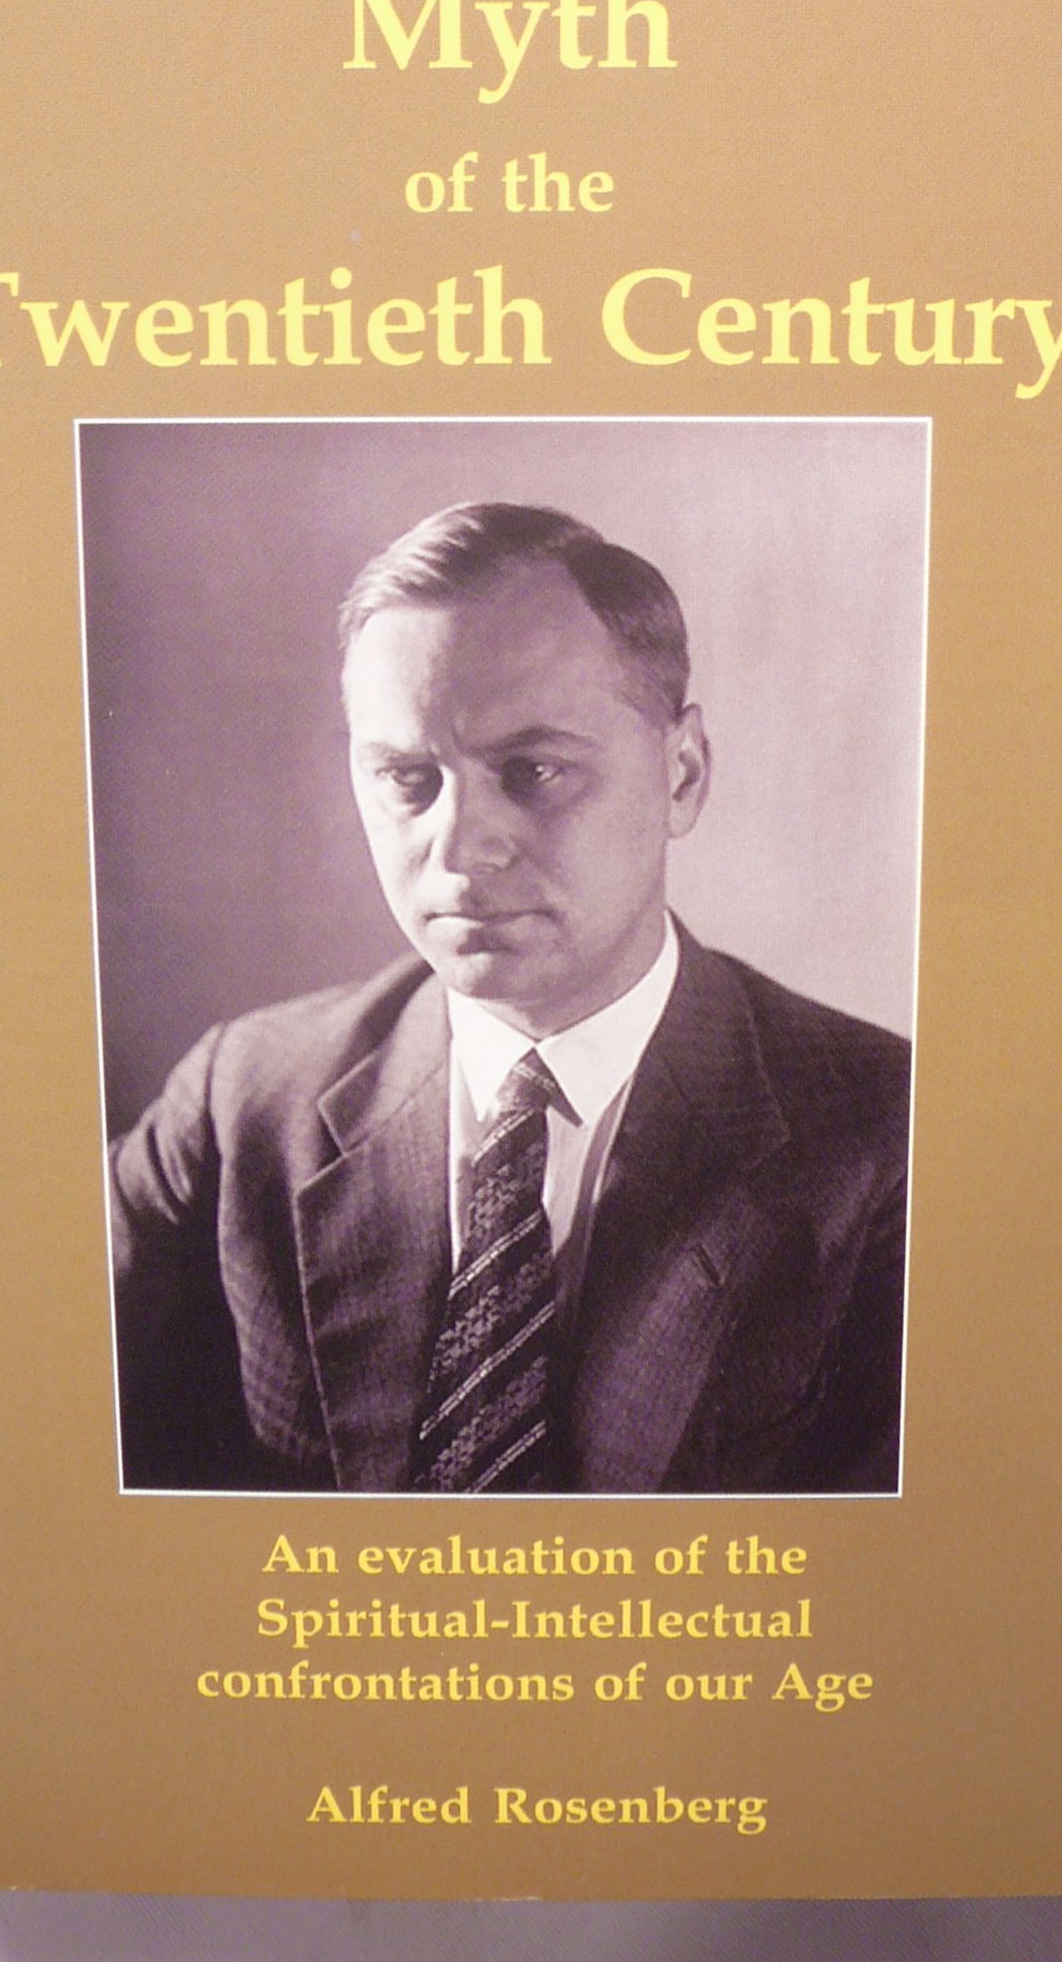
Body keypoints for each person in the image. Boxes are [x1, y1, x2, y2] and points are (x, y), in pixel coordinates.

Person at [109, 502, 909, 1494]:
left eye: (532, 772)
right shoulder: (242, 1106)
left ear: (682, 776)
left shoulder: (889, 1136)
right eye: (407, 779)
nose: (458, 849)